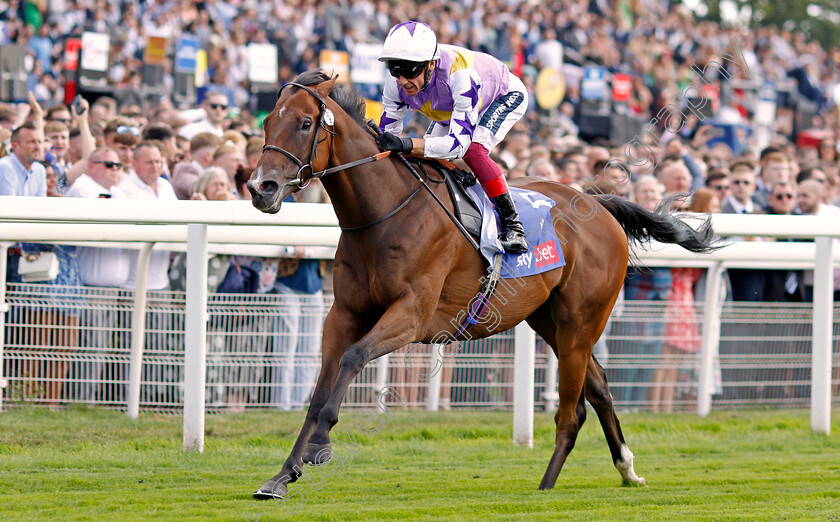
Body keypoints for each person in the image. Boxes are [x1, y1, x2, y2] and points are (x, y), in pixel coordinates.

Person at [376, 21, 528, 253]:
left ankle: (513, 225)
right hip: (452, 108)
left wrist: (406, 144)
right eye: (395, 70)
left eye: (410, 71)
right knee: (426, 155)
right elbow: (387, 139)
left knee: (473, 150)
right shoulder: (394, 85)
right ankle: (458, 176)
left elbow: (458, 145)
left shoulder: (461, 76)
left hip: (502, 95)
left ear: (431, 65)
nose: (402, 80)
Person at [65, 147, 131, 402]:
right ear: (92, 165)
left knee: (102, 349)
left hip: (112, 288)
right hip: (90, 286)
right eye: (109, 165)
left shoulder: (117, 192)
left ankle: (91, 399)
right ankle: (81, 401)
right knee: (89, 348)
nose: (115, 170)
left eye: (118, 166)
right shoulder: (83, 188)